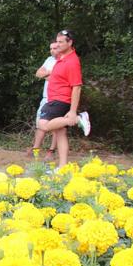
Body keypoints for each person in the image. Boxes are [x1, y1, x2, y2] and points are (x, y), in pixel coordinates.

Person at [37, 29, 91, 168]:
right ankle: (62, 167)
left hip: (60, 100)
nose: (58, 44)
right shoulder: (61, 58)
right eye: (57, 41)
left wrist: (73, 112)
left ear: (70, 42)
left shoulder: (72, 61)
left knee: (43, 124)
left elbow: (77, 87)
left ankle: (79, 118)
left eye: (61, 42)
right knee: (60, 133)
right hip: (55, 99)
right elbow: (44, 74)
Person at [28, 41, 59, 161]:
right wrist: (50, 73)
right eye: (51, 48)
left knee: (56, 126)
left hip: (57, 98)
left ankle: (51, 151)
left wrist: (48, 75)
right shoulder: (49, 60)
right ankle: (36, 149)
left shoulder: (63, 61)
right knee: (40, 123)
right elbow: (38, 73)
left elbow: (58, 79)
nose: (52, 50)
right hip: (46, 97)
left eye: (55, 48)